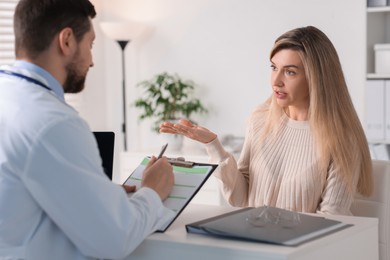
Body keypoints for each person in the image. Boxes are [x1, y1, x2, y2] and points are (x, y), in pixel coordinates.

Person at [0, 0, 175, 259]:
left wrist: (99, 194)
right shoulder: (54, 123)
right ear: (67, 40)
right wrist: (152, 190)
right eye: (91, 45)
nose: (92, 61)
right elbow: (115, 239)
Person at [160, 26, 373, 216]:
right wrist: (213, 146)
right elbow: (241, 198)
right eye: (273, 68)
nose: (276, 81)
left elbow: (331, 218)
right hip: (254, 243)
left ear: (316, 78)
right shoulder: (260, 119)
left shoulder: (342, 139)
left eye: (290, 72)